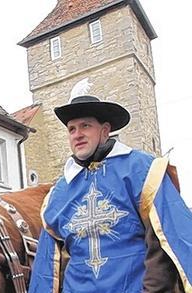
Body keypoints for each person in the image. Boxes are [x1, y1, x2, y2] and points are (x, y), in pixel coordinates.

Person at [28, 82, 192, 292]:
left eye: (85, 126)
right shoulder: (59, 193)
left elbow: (166, 240)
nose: (77, 134)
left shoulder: (141, 170)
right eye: (72, 129)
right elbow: (48, 266)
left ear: (105, 130)